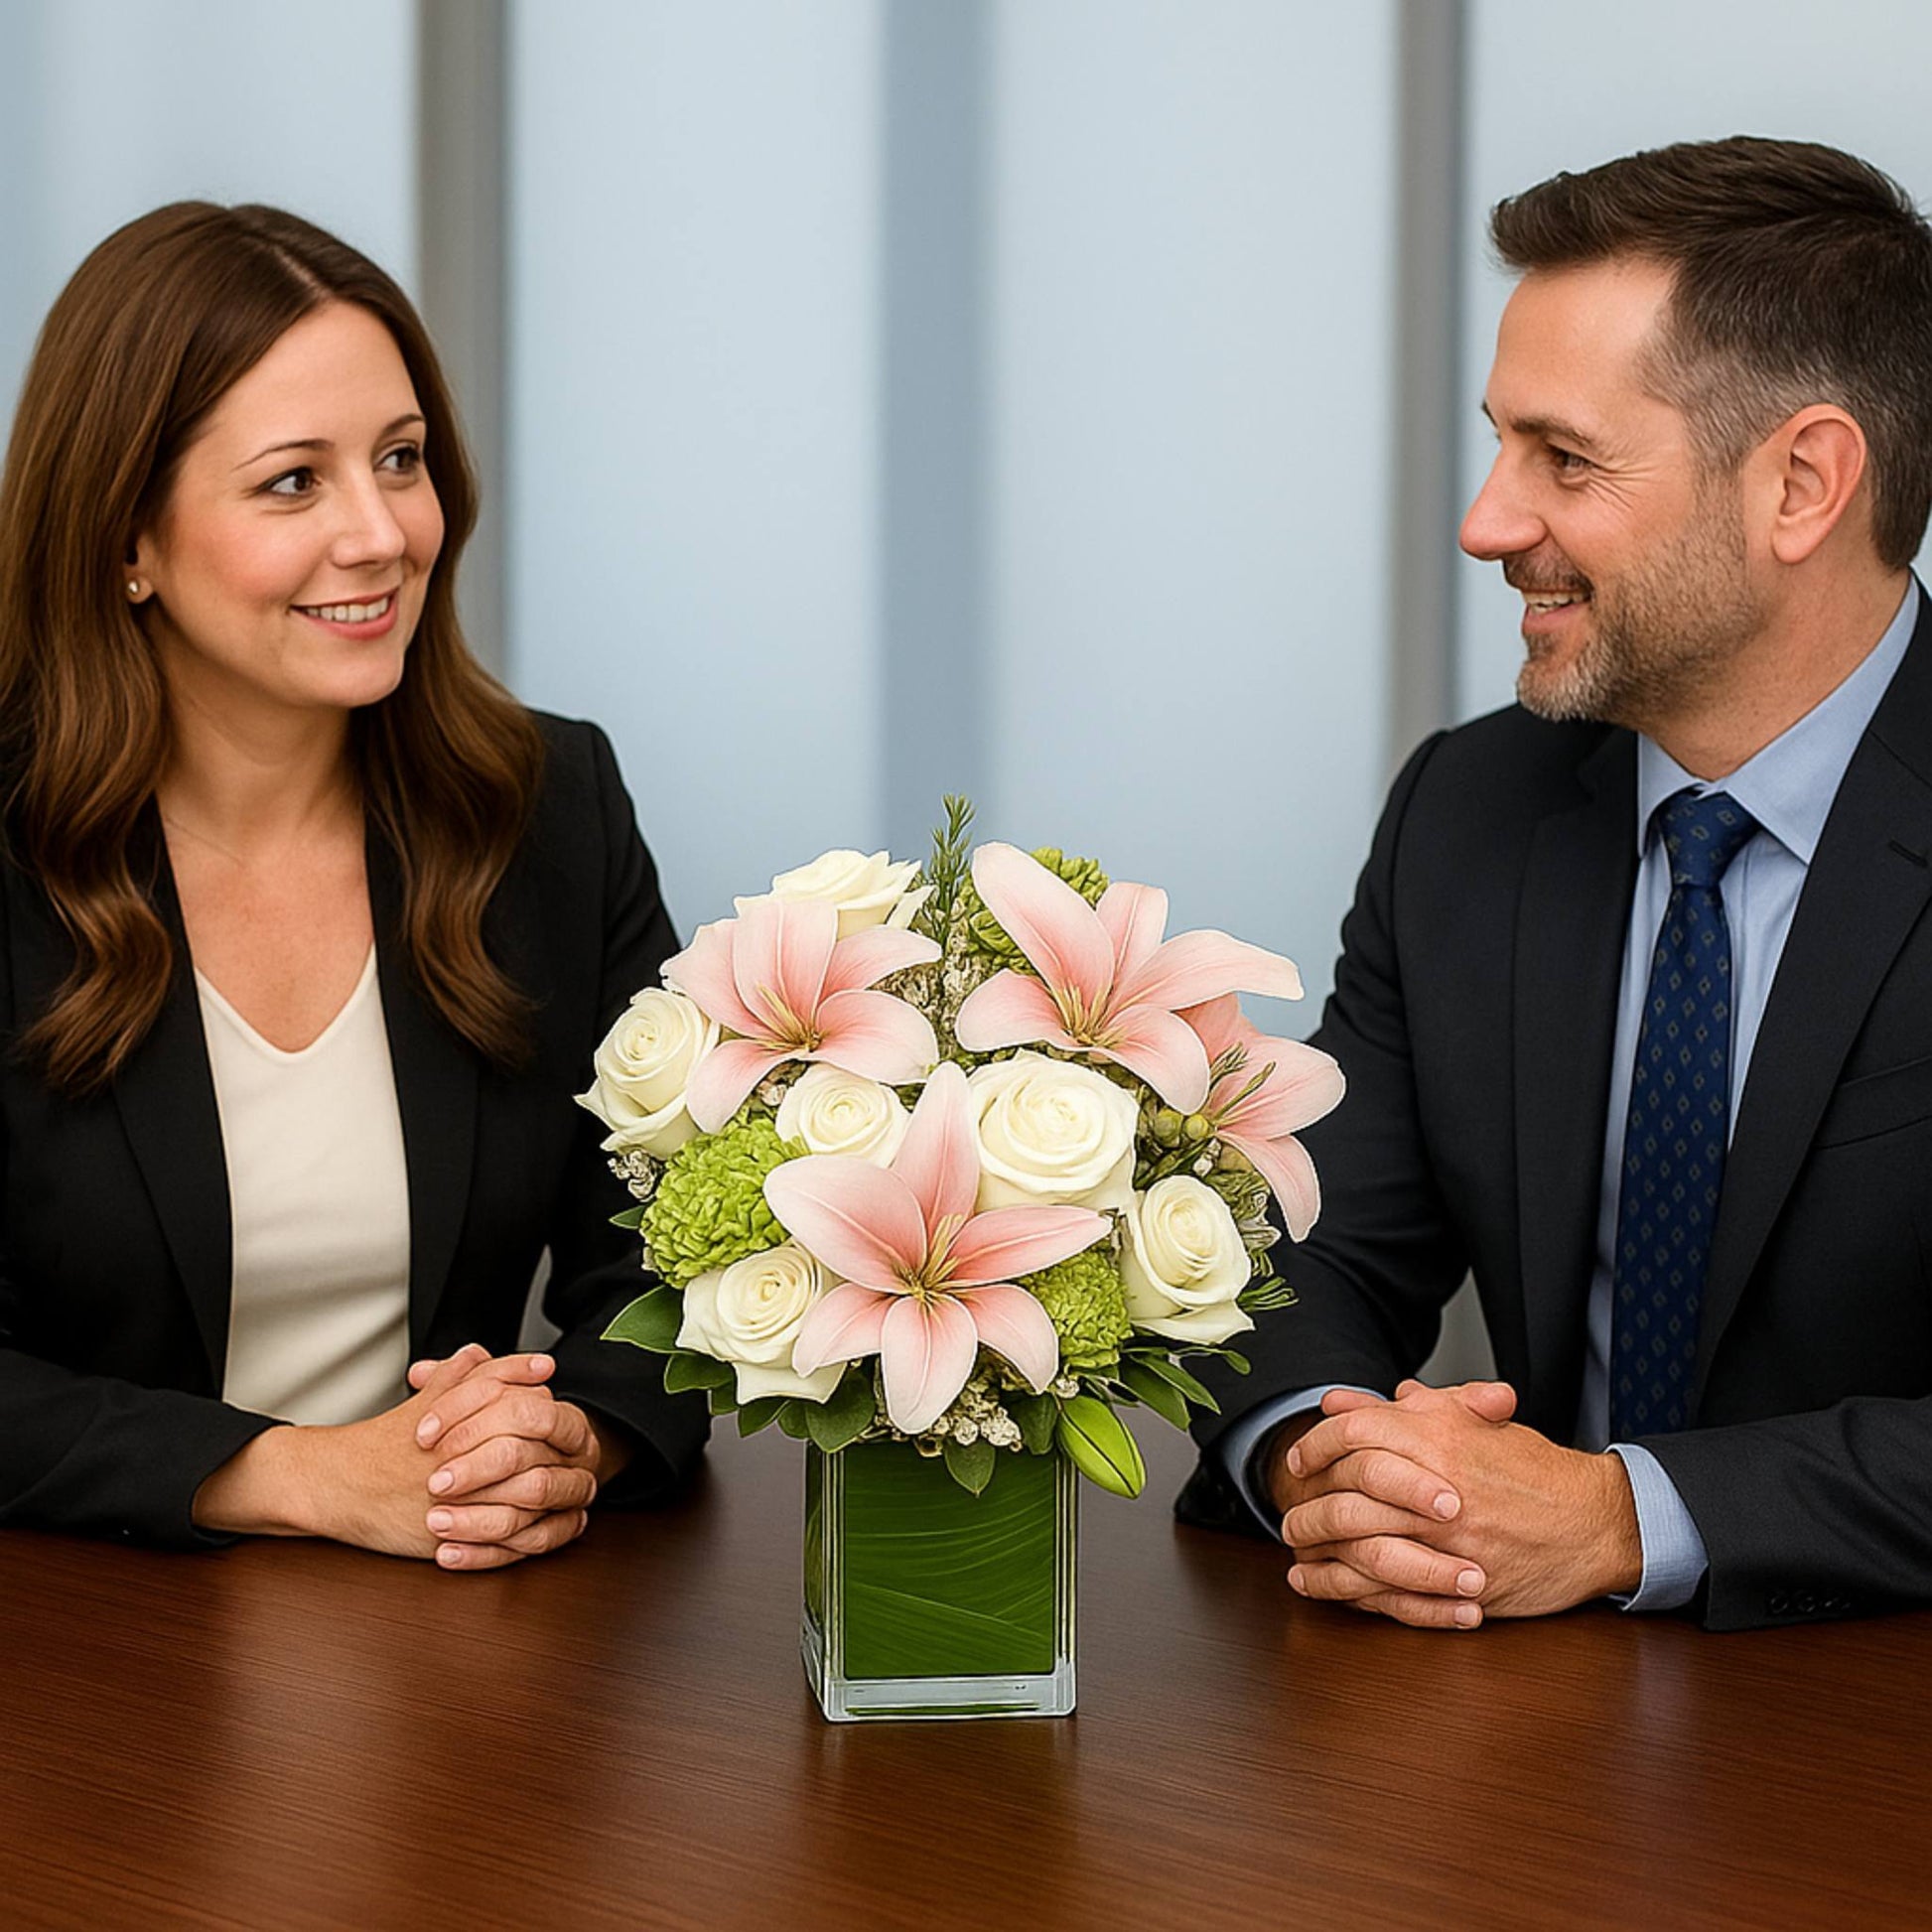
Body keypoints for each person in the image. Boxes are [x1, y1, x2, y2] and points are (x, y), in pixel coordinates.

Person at [1179, 135, 1932, 1631]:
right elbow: (1315, 1247)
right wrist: (1338, 1463)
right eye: (1497, 445)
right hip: (1506, 1732)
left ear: (1800, 482)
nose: (1486, 522)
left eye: (1562, 458)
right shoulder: (1469, 805)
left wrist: (1619, 1513)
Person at [0, 203, 705, 1569]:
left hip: (455, 1631)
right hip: (73, 1657)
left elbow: (670, 1253)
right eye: (292, 482)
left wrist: (580, 1438)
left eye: (400, 459)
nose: (382, 533)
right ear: (125, 539)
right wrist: (300, 1475)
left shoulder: (549, 805)